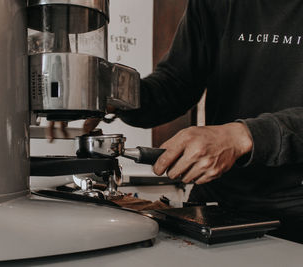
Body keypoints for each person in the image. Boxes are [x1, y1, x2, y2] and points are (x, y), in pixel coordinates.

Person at [82, 0, 303, 244]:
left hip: (295, 208)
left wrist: (245, 136)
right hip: (217, 199)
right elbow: (176, 84)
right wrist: (115, 93)